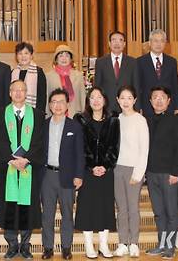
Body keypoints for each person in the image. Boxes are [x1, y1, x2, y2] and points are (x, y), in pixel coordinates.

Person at [0, 80, 45, 260]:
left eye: (22, 90)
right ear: (9, 92)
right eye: (14, 90)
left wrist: (27, 159)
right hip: (7, 168)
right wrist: (10, 159)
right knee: (10, 207)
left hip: (29, 169)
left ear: (26, 92)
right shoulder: (0, 114)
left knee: (26, 206)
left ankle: (25, 245)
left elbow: (40, 142)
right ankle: (12, 244)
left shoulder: (37, 115)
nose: (18, 93)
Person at [73, 86, 120, 259]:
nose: (96, 100)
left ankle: (103, 244)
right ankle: (88, 245)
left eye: (99, 97)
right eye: (92, 97)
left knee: (105, 207)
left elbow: (115, 146)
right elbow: (80, 147)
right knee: (87, 207)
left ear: (105, 100)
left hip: (106, 172)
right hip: (87, 170)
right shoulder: (80, 119)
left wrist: (105, 166)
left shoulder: (113, 119)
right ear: (88, 101)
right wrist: (91, 166)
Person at [40, 89, 84, 260]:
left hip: (67, 175)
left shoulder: (75, 126)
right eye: (54, 102)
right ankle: (48, 248)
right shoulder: (43, 125)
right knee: (47, 214)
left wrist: (79, 175)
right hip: (47, 175)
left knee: (67, 213)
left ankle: (66, 247)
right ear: (50, 105)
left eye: (61, 102)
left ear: (67, 105)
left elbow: (80, 153)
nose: (57, 105)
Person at [143, 87, 178, 260]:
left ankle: (170, 246)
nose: (159, 100)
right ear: (150, 101)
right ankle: (161, 244)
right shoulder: (146, 120)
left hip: (169, 173)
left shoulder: (176, 120)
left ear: (169, 101)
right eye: (155, 97)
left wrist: (175, 171)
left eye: (162, 97)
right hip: (152, 173)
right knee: (159, 212)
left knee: (171, 212)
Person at [113, 85, 149, 257]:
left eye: (129, 98)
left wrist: (138, 173)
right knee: (121, 208)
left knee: (133, 207)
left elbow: (144, 149)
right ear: (117, 100)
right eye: (122, 98)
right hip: (117, 168)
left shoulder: (140, 120)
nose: (125, 101)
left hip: (134, 169)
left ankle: (134, 242)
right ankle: (122, 243)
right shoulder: (116, 119)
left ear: (134, 100)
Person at [136, 29, 178, 116]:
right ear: (150, 43)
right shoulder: (140, 62)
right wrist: (138, 107)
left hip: (168, 107)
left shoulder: (172, 61)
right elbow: (138, 87)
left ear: (165, 43)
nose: (158, 44)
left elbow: (175, 86)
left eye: (162, 41)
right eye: (155, 41)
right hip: (146, 107)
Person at [93, 30, 140, 113]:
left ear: (124, 44)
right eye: (114, 40)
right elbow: (97, 86)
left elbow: (136, 86)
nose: (117, 43)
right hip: (106, 107)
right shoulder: (100, 62)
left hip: (127, 107)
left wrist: (137, 108)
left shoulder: (133, 62)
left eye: (120, 40)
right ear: (109, 43)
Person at [45, 45, 85, 117]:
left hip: (75, 115)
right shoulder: (48, 76)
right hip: (55, 115)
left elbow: (82, 97)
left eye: (67, 55)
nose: (64, 58)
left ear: (70, 59)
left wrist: (84, 114)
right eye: (61, 56)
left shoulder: (78, 75)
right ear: (56, 59)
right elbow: (47, 98)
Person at [11, 42, 47, 114]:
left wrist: (39, 114)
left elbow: (42, 97)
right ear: (16, 56)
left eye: (26, 53)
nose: (23, 56)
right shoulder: (12, 73)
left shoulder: (39, 72)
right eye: (20, 53)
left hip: (33, 112)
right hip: (14, 112)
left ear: (31, 55)